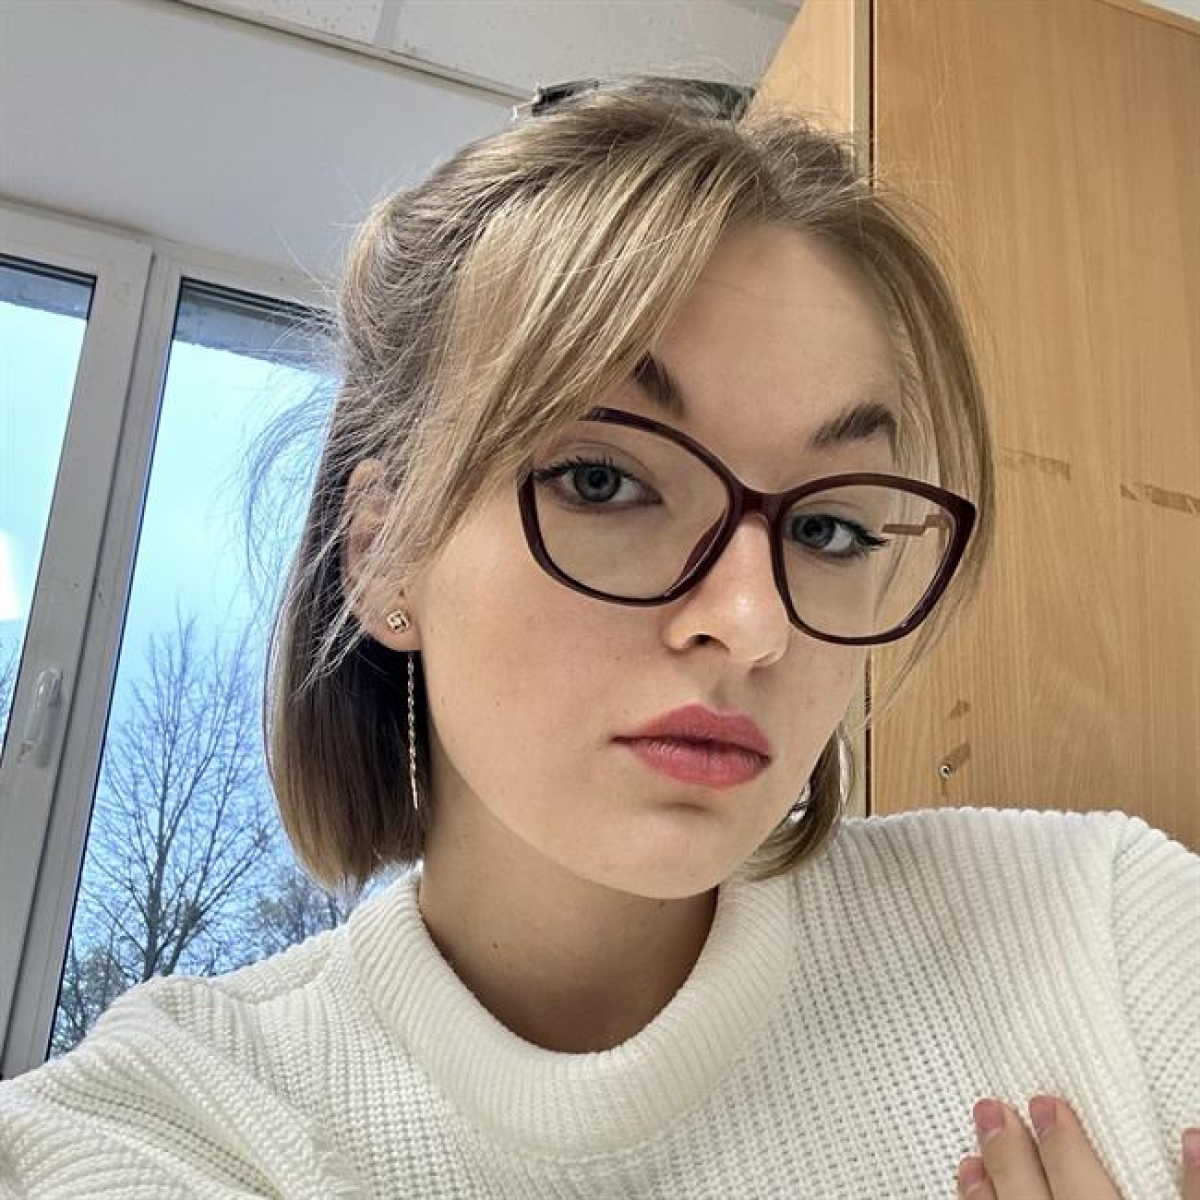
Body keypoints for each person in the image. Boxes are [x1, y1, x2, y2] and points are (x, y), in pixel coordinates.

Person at [1, 75, 1196, 1200]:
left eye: (827, 528)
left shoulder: (1095, 926)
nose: (752, 623)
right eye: (601, 479)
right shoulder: (168, 1126)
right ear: (383, 553)